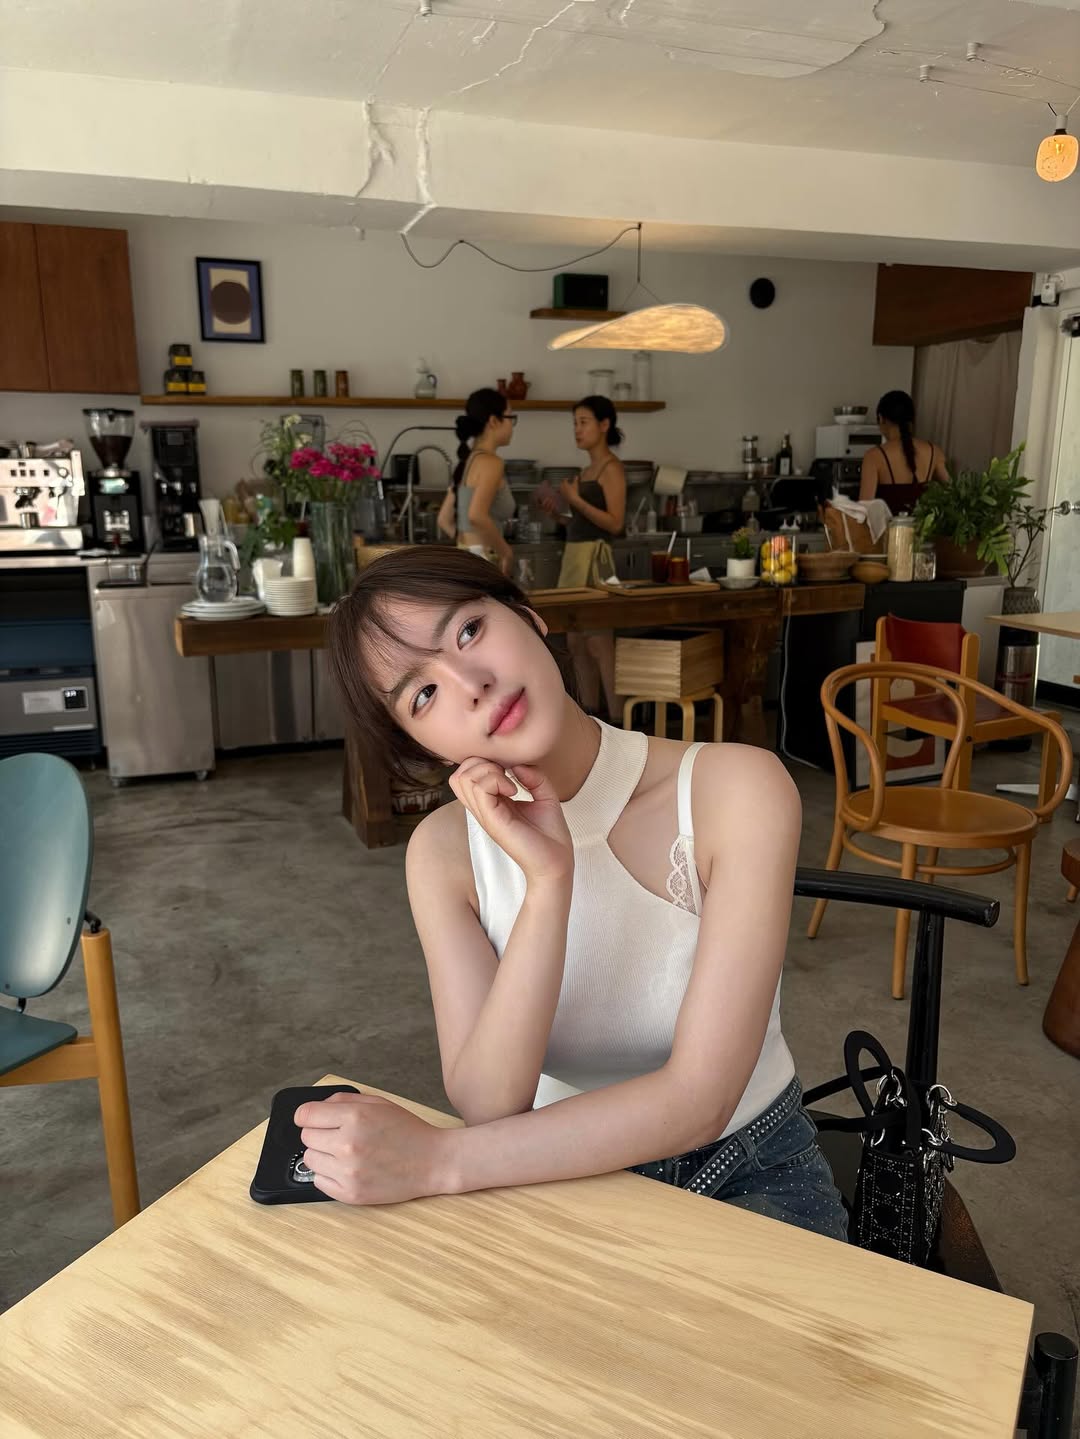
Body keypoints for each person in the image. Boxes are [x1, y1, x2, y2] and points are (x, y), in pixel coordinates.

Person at [297, 546, 849, 1244]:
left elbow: (700, 1100)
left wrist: (437, 1160)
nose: (470, 683)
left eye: (468, 630)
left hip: (747, 1168)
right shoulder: (442, 855)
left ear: (530, 617)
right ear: (421, 743)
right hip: (544, 1173)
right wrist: (548, 883)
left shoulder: (738, 789)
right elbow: (490, 1102)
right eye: (423, 694)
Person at [548, 396, 627, 719]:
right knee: (576, 641)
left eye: (584, 422)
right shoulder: (586, 471)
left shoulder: (612, 468)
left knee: (599, 642)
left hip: (595, 559)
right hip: (574, 558)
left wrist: (575, 500)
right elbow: (581, 521)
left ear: (604, 425)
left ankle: (619, 721)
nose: (577, 430)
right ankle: (590, 719)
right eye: (575, 423)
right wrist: (558, 513)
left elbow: (615, 523)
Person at [439, 387, 516, 576]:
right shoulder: (491, 463)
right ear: (493, 421)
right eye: (510, 417)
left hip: (466, 560)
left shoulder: (468, 461)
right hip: (485, 562)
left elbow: (444, 520)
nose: (512, 425)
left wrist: (469, 546)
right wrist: (506, 552)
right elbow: (476, 515)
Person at [859, 390, 949, 509]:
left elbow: (864, 509)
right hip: (923, 522)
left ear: (881, 418)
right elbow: (953, 492)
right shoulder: (934, 451)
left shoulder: (873, 456)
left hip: (888, 522)